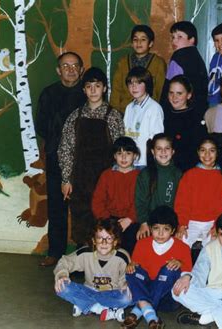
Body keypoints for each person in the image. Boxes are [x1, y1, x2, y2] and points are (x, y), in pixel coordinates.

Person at [58, 67, 124, 247]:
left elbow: (121, 151)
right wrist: (66, 179)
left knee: (104, 219)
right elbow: (65, 149)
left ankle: (105, 261)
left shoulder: (114, 116)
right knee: (81, 219)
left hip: (106, 178)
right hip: (80, 179)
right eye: (89, 86)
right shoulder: (75, 116)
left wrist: (117, 178)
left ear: (104, 88)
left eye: (97, 86)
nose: (93, 90)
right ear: (84, 90)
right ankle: (83, 260)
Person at [35, 52, 86, 267]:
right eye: (66, 66)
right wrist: (60, 142)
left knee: (83, 206)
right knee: (57, 205)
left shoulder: (88, 92)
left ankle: (85, 254)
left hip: (83, 159)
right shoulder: (49, 93)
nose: (71, 69)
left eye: (75, 66)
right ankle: (55, 251)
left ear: (81, 70)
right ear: (58, 70)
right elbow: (41, 126)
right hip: (56, 156)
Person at [123, 206, 192, 329]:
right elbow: (136, 270)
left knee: (170, 268)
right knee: (131, 271)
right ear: (150, 228)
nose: (160, 233)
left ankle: (138, 311)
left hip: (167, 300)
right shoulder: (141, 244)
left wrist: (180, 264)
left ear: (173, 230)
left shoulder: (183, 248)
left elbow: (188, 275)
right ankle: (151, 317)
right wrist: (131, 267)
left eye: (165, 229)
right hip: (145, 290)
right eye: (156, 228)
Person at [53, 219, 131, 322]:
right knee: (62, 287)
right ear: (94, 240)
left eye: (109, 238)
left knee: (127, 298)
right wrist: (62, 275)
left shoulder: (122, 256)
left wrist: (126, 284)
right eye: (100, 238)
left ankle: (85, 305)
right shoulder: (86, 253)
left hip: (112, 293)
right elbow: (64, 262)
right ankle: (105, 309)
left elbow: (126, 277)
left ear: (115, 241)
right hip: (89, 291)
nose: (104, 243)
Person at [174, 135, 222, 248]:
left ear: (217, 152)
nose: (207, 155)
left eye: (212, 151)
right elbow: (182, 203)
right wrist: (182, 225)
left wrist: (218, 225)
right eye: (203, 150)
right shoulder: (189, 175)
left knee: (215, 245)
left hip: (214, 221)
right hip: (191, 221)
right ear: (198, 152)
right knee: (180, 242)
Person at [91, 136, 140, 254]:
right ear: (114, 156)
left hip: (131, 220)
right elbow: (97, 201)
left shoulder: (140, 176)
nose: (123, 157)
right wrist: (108, 221)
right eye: (119, 153)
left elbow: (141, 202)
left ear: (134, 155)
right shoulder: (107, 175)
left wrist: (129, 219)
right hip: (109, 219)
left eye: (128, 153)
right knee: (105, 244)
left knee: (129, 247)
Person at [135, 134, 182, 240]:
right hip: (151, 222)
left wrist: (179, 225)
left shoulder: (178, 174)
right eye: (159, 149)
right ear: (152, 151)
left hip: (171, 223)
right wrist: (143, 223)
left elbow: (182, 202)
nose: (163, 152)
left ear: (173, 151)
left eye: (167, 148)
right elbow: (140, 201)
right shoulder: (145, 174)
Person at [110, 25, 166, 111]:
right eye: (135, 39)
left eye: (143, 39)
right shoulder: (122, 62)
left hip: (148, 111)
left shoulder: (158, 63)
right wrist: (115, 113)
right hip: (124, 110)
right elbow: (116, 91)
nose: (138, 43)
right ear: (132, 43)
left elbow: (160, 91)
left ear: (150, 43)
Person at [160, 21, 208, 120]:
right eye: (173, 37)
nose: (174, 41)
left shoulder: (178, 56)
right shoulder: (198, 57)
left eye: (179, 37)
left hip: (178, 111)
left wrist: (162, 109)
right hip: (198, 111)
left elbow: (169, 87)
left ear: (192, 40)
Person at [163, 75, 207, 172]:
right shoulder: (163, 115)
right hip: (167, 167)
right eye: (171, 93)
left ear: (189, 95)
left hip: (189, 169)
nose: (174, 97)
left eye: (179, 93)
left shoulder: (196, 117)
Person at [123, 66, 164, 168]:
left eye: (139, 83)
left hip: (144, 162)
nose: (134, 87)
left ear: (147, 84)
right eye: (131, 83)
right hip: (130, 161)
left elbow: (156, 138)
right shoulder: (129, 107)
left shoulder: (154, 108)